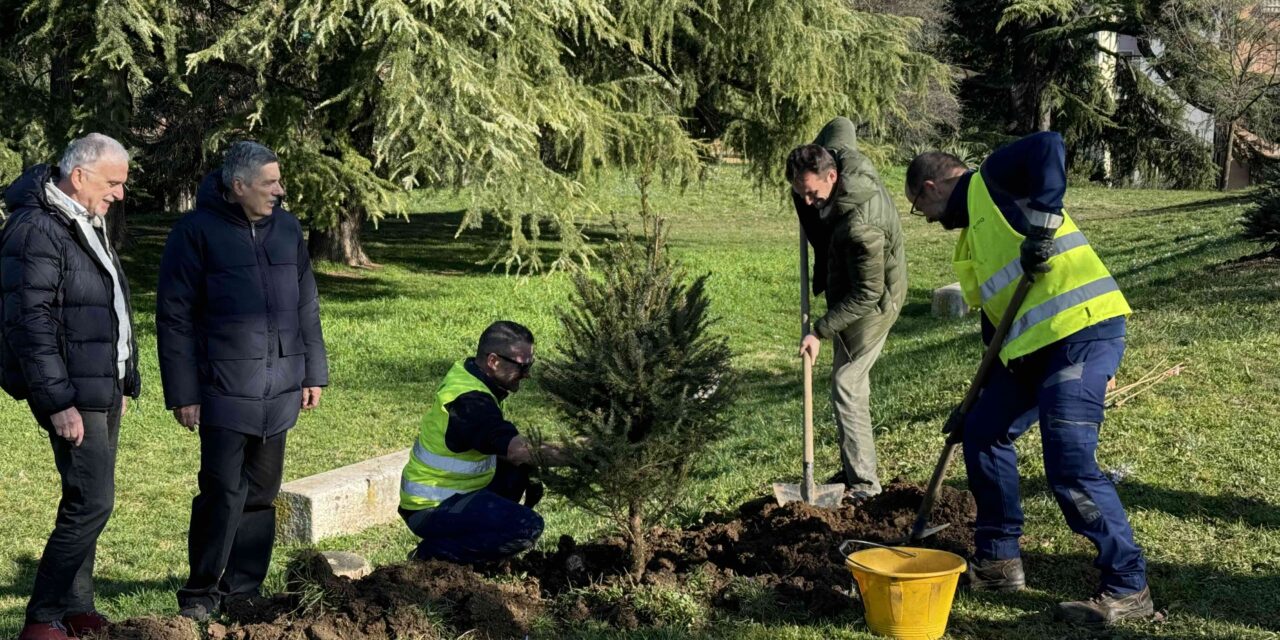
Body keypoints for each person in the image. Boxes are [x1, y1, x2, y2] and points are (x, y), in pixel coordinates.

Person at [905, 132, 1153, 626]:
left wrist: (1041, 225)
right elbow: (997, 332)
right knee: (983, 431)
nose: (929, 221)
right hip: (1030, 354)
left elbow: (1050, 147)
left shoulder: (995, 177)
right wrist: (972, 402)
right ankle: (998, 561)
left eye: (920, 209)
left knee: (1070, 462)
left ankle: (1129, 588)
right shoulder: (973, 235)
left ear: (931, 187)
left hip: (1081, 332)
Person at [156, 141, 328, 620]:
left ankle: (243, 590)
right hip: (222, 390)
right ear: (238, 187)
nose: (280, 190)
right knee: (222, 492)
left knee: (262, 494)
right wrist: (184, 392)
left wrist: (312, 371)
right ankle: (201, 594)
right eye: (270, 182)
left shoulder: (288, 229)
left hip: (281, 388)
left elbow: (306, 304)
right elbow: (174, 318)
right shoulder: (195, 233)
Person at [0, 134, 140, 640]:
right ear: (79, 176)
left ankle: (77, 608)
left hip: (100, 384)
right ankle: (41, 620)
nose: (120, 194)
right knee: (92, 502)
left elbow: (108, 304)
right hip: (72, 394)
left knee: (87, 500)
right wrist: (58, 402)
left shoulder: (84, 219)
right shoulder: (37, 229)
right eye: (113, 183)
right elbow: (29, 325)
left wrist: (124, 372)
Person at [786, 116, 907, 499]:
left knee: (846, 383)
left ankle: (865, 486)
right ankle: (855, 468)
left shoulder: (861, 226)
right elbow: (841, 123)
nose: (807, 202)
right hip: (849, 285)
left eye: (812, 194)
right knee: (846, 379)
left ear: (833, 177)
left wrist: (819, 330)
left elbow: (867, 293)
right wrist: (806, 162)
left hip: (876, 301)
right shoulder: (838, 154)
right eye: (800, 193)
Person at [399, 321, 562, 563]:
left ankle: (475, 540)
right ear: (494, 361)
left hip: (455, 491)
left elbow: (501, 446)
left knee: (519, 471)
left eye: (531, 365)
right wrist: (586, 452)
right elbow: (517, 450)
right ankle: (432, 556)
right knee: (527, 526)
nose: (527, 374)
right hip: (430, 506)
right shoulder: (470, 401)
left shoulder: (472, 375)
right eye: (522, 366)